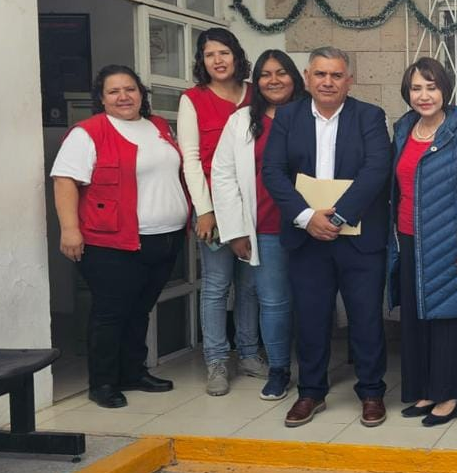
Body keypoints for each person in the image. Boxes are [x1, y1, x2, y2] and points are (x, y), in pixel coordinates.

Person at [262, 47, 391, 428]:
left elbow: (376, 169)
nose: (328, 82)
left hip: (358, 236)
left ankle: (371, 391)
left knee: (366, 318)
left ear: (349, 80)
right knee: (312, 317)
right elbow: (273, 172)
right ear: (307, 78)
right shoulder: (287, 117)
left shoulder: (370, 116)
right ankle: (311, 392)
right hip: (307, 237)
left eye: (336, 75)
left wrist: (338, 215)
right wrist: (306, 217)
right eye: (321, 75)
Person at [51, 66, 188, 408]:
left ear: (141, 93)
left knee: (140, 309)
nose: (124, 97)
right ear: (101, 98)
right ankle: (103, 382)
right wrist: (70, 229)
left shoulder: (157, 126)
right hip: (111, 242)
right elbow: (65, 181)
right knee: (111, 312)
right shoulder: (88, 133)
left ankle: (132, 371)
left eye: (130, 89)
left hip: (164, 237)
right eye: (114, 91)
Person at [387, 57, 457, 426]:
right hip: (409, 240)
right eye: (416, 88)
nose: (424, 95)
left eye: (431, 87)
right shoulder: (404, 128)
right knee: (418, 321)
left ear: (445, 89)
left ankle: (450, 395)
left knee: (450, 320)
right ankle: (427, 389)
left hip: (451, 242)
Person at [211, 50, 306, 401]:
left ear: (294, 77)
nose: (274, 80)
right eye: (266, 74)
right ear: (257, 81)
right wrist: (235, 229)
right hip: (265, 225)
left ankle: (314, 370)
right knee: (274, 301)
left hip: (313, 225)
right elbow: (222, 175)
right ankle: (279, 369)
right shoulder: (240, 122)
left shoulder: (312, 116)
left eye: (281, 72)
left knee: (312, 300)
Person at [177, 27, 262, 396]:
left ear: (236, 55)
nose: (218, 60)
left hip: (255, 206)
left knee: (249, 286)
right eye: (210, 54)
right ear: (202, 61)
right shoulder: (192, 99)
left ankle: (248, 352)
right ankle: (215, 361)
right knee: (215, 285)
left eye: (224, 52)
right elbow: (191, 160)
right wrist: (204, 210)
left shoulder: (255, 94)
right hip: (214, 207)